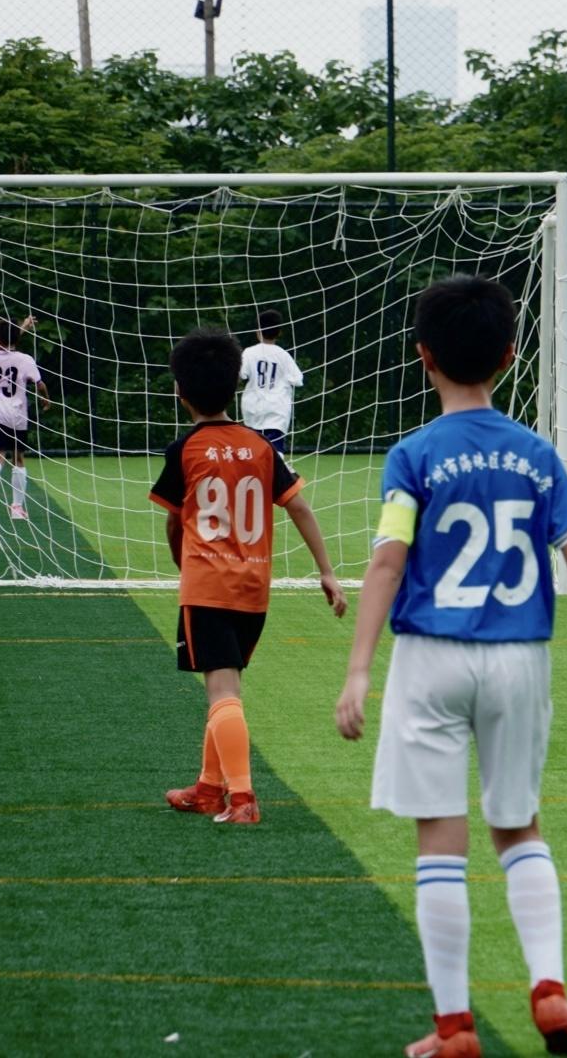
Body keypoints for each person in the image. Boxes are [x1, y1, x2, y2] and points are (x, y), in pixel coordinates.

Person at [334, 275, 567, 1058]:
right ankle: (549, 987)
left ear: (423, 356)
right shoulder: (538, 456)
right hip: (519, 660)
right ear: (509, 356)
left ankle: (455, 1027)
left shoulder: (413, 455)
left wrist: (359, 670)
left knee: (441, 836)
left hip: (430, 657)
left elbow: (388, 562)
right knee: (518, 826)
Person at [150, 326, 347, 825]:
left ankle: (241, 798)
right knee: (227, 684)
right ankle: (207, 787)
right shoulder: (261, 447)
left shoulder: (185, 449)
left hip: (208, 587)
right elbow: (299, 506)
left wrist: (183, 563)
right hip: (254, 590)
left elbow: (174, 521)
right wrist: (326, 571)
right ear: (235, 385)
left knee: (222, 692)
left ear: (180, 391)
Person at [0, 315, 51, 520]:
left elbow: (7, 340)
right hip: (17, 416)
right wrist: (46, 399)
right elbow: (40, 384)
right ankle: (17, 508)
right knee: (18, 459)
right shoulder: (25, 360)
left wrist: (22, 327)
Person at [239, 308, 305, 453]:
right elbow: (298, 379)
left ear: (258, 331)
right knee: (275, 451)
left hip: (252, 409)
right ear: (279, 332)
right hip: (276, 410)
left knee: (253, 451)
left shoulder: (249, 352)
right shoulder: (283, 355)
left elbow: (241, 374)